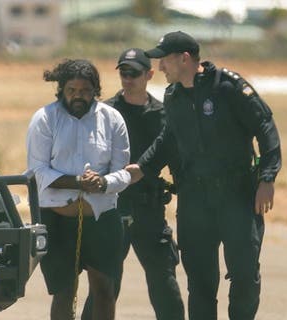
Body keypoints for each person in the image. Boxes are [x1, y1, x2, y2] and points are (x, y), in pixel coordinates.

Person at [125, 31, 282, 320]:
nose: (159, 68)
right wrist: (142, 168)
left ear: (184, 58)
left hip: (237, 195)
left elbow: (266, 128)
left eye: (164, 61)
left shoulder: (228, 87)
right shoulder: (173, 96)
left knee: (245, 275)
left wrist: (267, 178)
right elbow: (169, 139)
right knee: (199, 282)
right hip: (195, 199)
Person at [81, 48, 184, 320]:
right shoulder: (106, 112)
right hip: (114, 207)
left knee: (164, 281)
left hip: (150, 208)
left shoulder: (163, 113)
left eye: (134, 73)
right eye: (123, 73)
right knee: (106, 284)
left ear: (149, 74)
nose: (127, 79)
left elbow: (175, 155)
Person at [26, 58, 131, 320]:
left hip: (101, 219)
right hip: (58, 220)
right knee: (64, 292)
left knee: (104, 290)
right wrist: (77, 183)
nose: (77, 96)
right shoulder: (45, 118)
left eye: (84, 90)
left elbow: (123, 171)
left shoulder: (112, 119)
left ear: (95, 90)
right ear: (61, 90)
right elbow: (37, 172)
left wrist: (103, 183)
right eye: (71, 90)